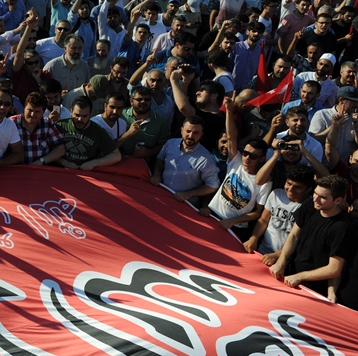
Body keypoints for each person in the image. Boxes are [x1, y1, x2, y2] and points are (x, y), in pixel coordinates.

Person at [268, 175, 355, 301]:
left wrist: (300, 276)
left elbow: (334, 269)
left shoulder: (342, 229)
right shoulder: (310, 205)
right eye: (315, 193)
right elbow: (293, 236)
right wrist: (281, 261)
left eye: (323, 197)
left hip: (312, 289)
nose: (316, 199)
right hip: (289, 275)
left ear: (338, 200)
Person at [204, 100, 272, 240]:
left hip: (236, 229)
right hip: (213, 216)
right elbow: (231, 137)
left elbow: (257, 213)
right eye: (245, 153)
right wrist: (229, 110)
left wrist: (232, 221)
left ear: (262, 158)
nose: (246, 158)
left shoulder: (264, 182)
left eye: (253, 156)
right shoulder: (236, 162)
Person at [151, 116, 221, 206]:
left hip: (185, 204)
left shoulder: (206, 159)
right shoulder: (170, 143)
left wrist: (189, 194)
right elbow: (160, 159)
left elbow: (212, 185)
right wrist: (156, 174)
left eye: (196, 133)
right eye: (188, 131)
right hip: (162, 195)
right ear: (182, 130)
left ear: (201, 134)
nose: (191, 136)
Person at [55, 97, 121, 171]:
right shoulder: (60, 126)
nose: (80, 119)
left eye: (84, 116)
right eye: (77, 115)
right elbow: (48, 151)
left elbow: (116, 155)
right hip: (61, 170)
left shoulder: (98, 131)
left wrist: (94, 163)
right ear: (71, 112)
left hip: (86, 171)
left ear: (90, 114)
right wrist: (64, 162)